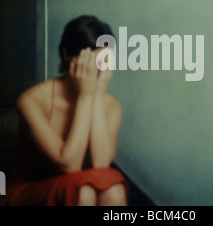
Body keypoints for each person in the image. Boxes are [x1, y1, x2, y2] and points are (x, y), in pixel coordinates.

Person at [0, 15, 128, 206]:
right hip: (27, 190)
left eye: (104, 60)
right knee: (82, 191)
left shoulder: (112, 106)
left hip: (77, 185)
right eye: (88, 60)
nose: (97, 70)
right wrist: (85, 96)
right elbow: (70, 165)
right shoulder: (31, 100)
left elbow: (101, 165)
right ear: (67, 54)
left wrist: (97, 93)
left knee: (113, 189)